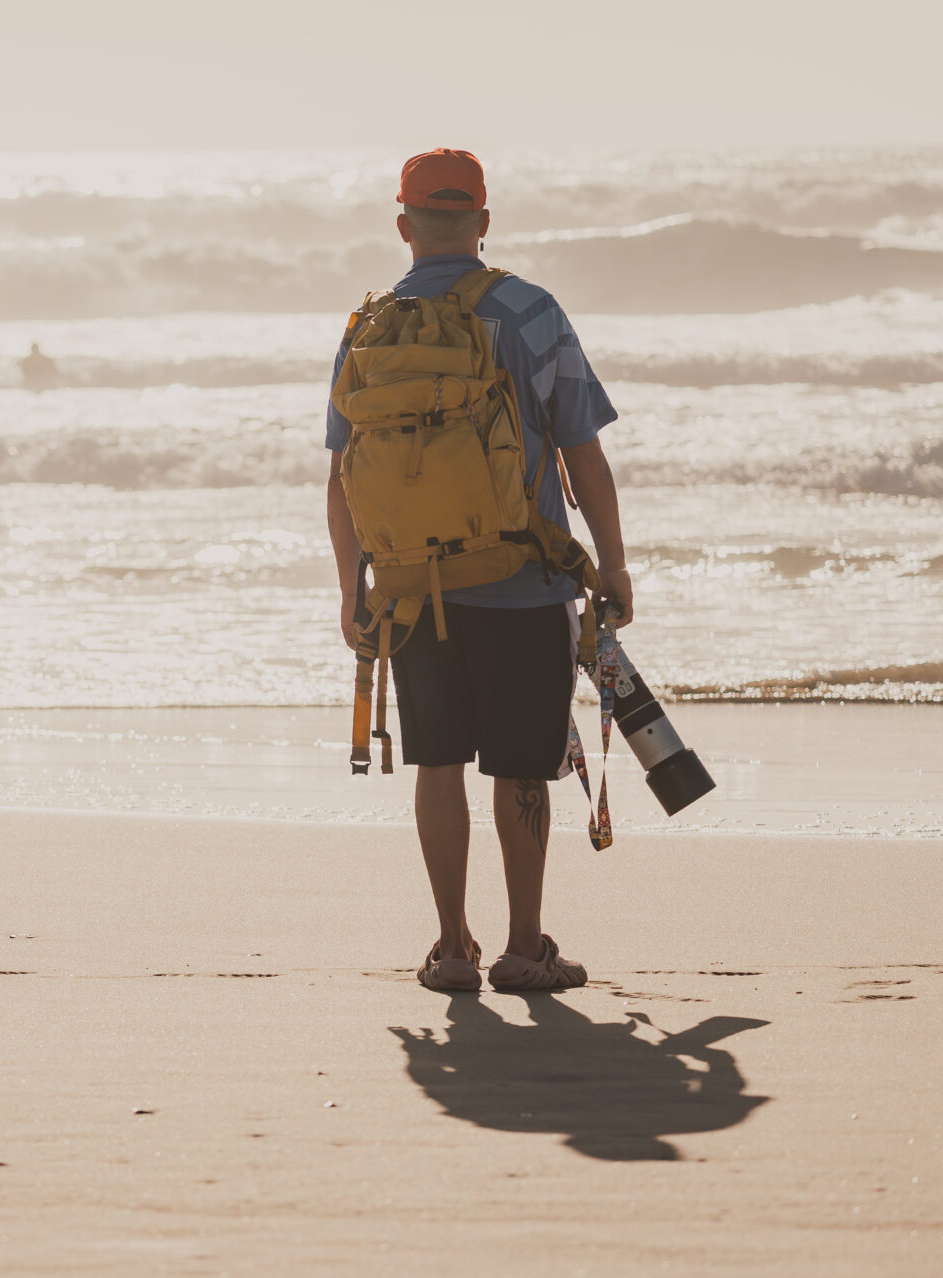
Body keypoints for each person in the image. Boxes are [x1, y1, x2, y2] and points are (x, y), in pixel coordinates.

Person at [324, 148, 634, 993]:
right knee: (521, 766)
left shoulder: (369, 327)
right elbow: (583, 453)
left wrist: (354, 588)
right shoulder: (532, 312)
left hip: (414, 591)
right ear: (485, 223)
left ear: (404, 226)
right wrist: (611, 564)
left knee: (438, 763)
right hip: (524, 580)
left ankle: (452, 947)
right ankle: (524, 946)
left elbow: (343, 477)